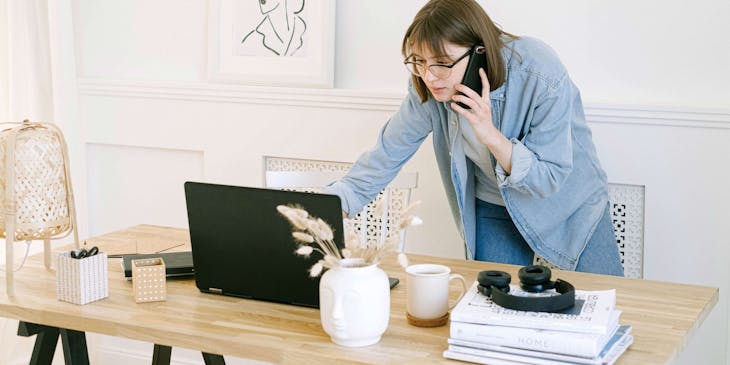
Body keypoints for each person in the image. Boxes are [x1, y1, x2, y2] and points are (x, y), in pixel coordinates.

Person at [325, 0, 623, 276]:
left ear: (479, 51)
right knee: (491, 313)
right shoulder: (428, 84)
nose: (429, 76)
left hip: (569, 204)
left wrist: (491, 135)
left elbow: (550, 176)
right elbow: (385, 155)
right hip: (493, 207)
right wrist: (328, 207)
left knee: (612, 302)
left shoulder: (538, 70)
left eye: (442, 62)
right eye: (418, 61)